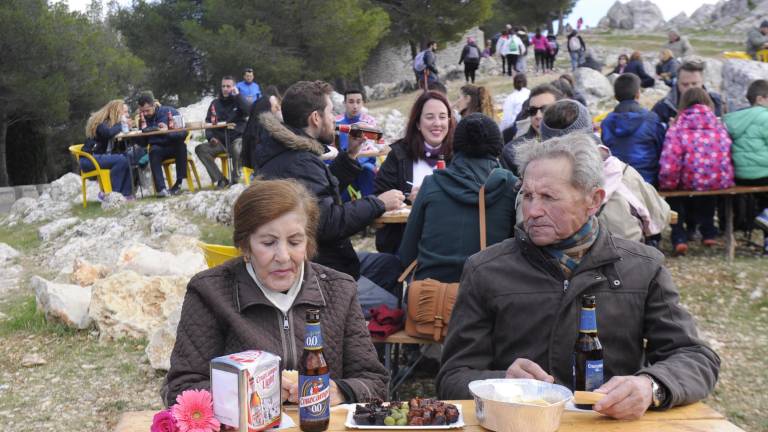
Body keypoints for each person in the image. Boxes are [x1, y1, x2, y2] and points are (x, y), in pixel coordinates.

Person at [437, 133, 720, 419]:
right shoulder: (486, 270)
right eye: (527, 195)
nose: (533, 211)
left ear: (593, 200)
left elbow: (695, 357)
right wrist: (500, 384)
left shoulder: (643, 267)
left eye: (548, 197)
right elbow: (452, 378)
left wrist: (650, 386)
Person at [162, 178, 389, 406]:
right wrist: (254, 392)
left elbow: (374, 382)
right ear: (245, 245)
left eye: (294, 242)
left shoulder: (339, 289)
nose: (283, 256)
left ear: (308, 243)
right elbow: (179, 390)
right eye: (268, 243)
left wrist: (339, 391)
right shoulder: (210, 291)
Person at [251, 80, 406, 315]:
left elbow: (315, 194)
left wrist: (350, 155)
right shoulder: (299, 161)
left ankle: (366, 335)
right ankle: (366, 336)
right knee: (398, 308)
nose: (334, 119)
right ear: (315, 118)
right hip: (317, 276)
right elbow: (328, 222)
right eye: (330, 112)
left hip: (323, 261)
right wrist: (379, 202)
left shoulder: (288, 153)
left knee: (389, 265)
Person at [399, 113, 517, 283]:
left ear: (455, 146)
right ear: (498, 148)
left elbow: (406, 254)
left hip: (430, 300)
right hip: (488, 298)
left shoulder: (431, 184)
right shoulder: (511, 187)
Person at [537, 99, 670, 244]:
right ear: (589, 132)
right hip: (621, 260)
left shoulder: (531, 189)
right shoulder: (623, 175)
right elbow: (660, 215)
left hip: (552, 264)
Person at [374, 91, 455, 254]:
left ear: (449, 120)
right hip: (408, 243)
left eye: (442, 116)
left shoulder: (460, 154)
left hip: (451, 240)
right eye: (430, 117)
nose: (437, 123)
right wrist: (408, 200)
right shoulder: (398, 154)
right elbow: (379, 198)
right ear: (417, 123)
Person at [659, 88, 735, 255]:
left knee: (677, 195)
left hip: (688, 180)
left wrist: (667, 185)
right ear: (708, 104)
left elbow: (670, 163)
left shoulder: (677, 128)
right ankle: (709, 232)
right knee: (707, 186)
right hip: (718, 180)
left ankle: (679, 236)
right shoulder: (719, 126)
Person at [725, 79, 768, 251]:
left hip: (739, 177)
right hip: (762, 175)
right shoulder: (765, 116)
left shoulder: (734, 118)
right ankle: (765, 218)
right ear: (760, 99)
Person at [601, 73, 666, 186]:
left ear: (616, 96)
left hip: (617, 182)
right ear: (638, 94)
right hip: (646, 181)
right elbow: (661, 149)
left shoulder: (606, 122)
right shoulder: (651, 119)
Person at [195, 76, 249, 188]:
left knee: (237, 147)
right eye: (223, 86)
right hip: (220, 141)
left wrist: (238, 95)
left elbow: (248, 110)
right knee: (201, 149)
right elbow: (208, 123)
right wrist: (210, 138)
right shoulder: (215, 103)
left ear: (234, 87)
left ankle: (235, 179)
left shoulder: (239, 100)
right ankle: (220, 179)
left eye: (228, 86)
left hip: (236, 138)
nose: (225, 88)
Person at [500, 84, 564, 174]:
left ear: (561, 111)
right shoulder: (512, 152)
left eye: (545, 109)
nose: (538, 116)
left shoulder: (577, 144)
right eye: (533, 111)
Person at [82, 100, 135, 199]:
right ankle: (113, 195)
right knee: (121, 160)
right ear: (116, 112)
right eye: (125, 112)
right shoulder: (100, 124)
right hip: (89, 159)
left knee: (128, 157)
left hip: (101, 158)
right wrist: (122, 124)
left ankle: (126, 195)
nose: (127, 115)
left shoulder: (113, 125)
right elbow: (108, 134)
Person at [137, 93, 187, 197]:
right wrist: (139, 134)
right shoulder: (142, 119)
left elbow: (183, 133)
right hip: (158, 147)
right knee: (153, 151)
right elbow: (143, 144)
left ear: (154, 105)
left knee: (181, 146)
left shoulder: (170, 111)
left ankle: (179, 184)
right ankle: (161, 189)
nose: (145, 114)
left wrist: (168, 131)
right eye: (143, 111)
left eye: (147, 110)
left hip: (173, 144)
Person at [652, 60, 724, 127]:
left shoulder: (715, 101)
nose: (690, 88)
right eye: (685, 84)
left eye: (694, 83)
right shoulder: (663, 107)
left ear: (702, 82)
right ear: (677, 83)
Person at [335, 89, 379, 199]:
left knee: (368, 170)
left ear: (362, 103)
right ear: (344, 103)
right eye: (351, 102)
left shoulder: (370, 122)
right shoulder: (336, 123)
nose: (355, 106)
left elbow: (377, 146)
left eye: (358, 102)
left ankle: (372, 206)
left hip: (365, 165)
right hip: (344, 165)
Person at [241, 86, 282, 174]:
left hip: (250, 137)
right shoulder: (271, 99)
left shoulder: (257, 102)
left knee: (257, 170)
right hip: (261, 137)